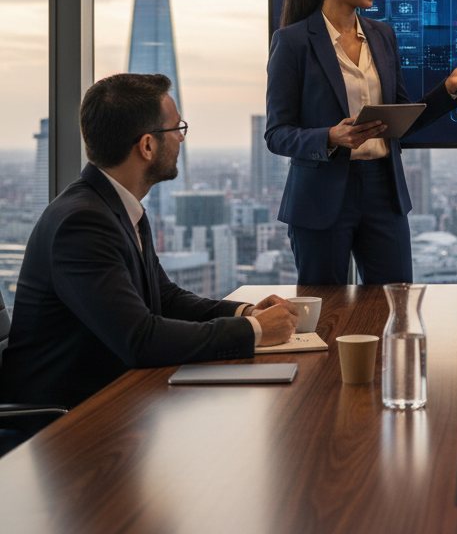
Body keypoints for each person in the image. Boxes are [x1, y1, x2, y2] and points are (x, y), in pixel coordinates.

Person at [0, 74, 298, 410]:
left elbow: (165, 298)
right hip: (60, 424)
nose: (182, 140)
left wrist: (246, 311)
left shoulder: (116, 206)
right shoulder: (82, 223)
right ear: (147, 145)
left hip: (113, 401)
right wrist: (253, 330)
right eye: (177, 129)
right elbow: (139, 340)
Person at [266, 0, 457, 284]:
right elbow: (276, 134)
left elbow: (403, 118)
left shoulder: (383, 34)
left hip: (384, 191)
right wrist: (330, 136)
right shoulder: (293, 42)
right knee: (326, 311)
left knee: (396, 304)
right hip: (321, 196)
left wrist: (450, 87)